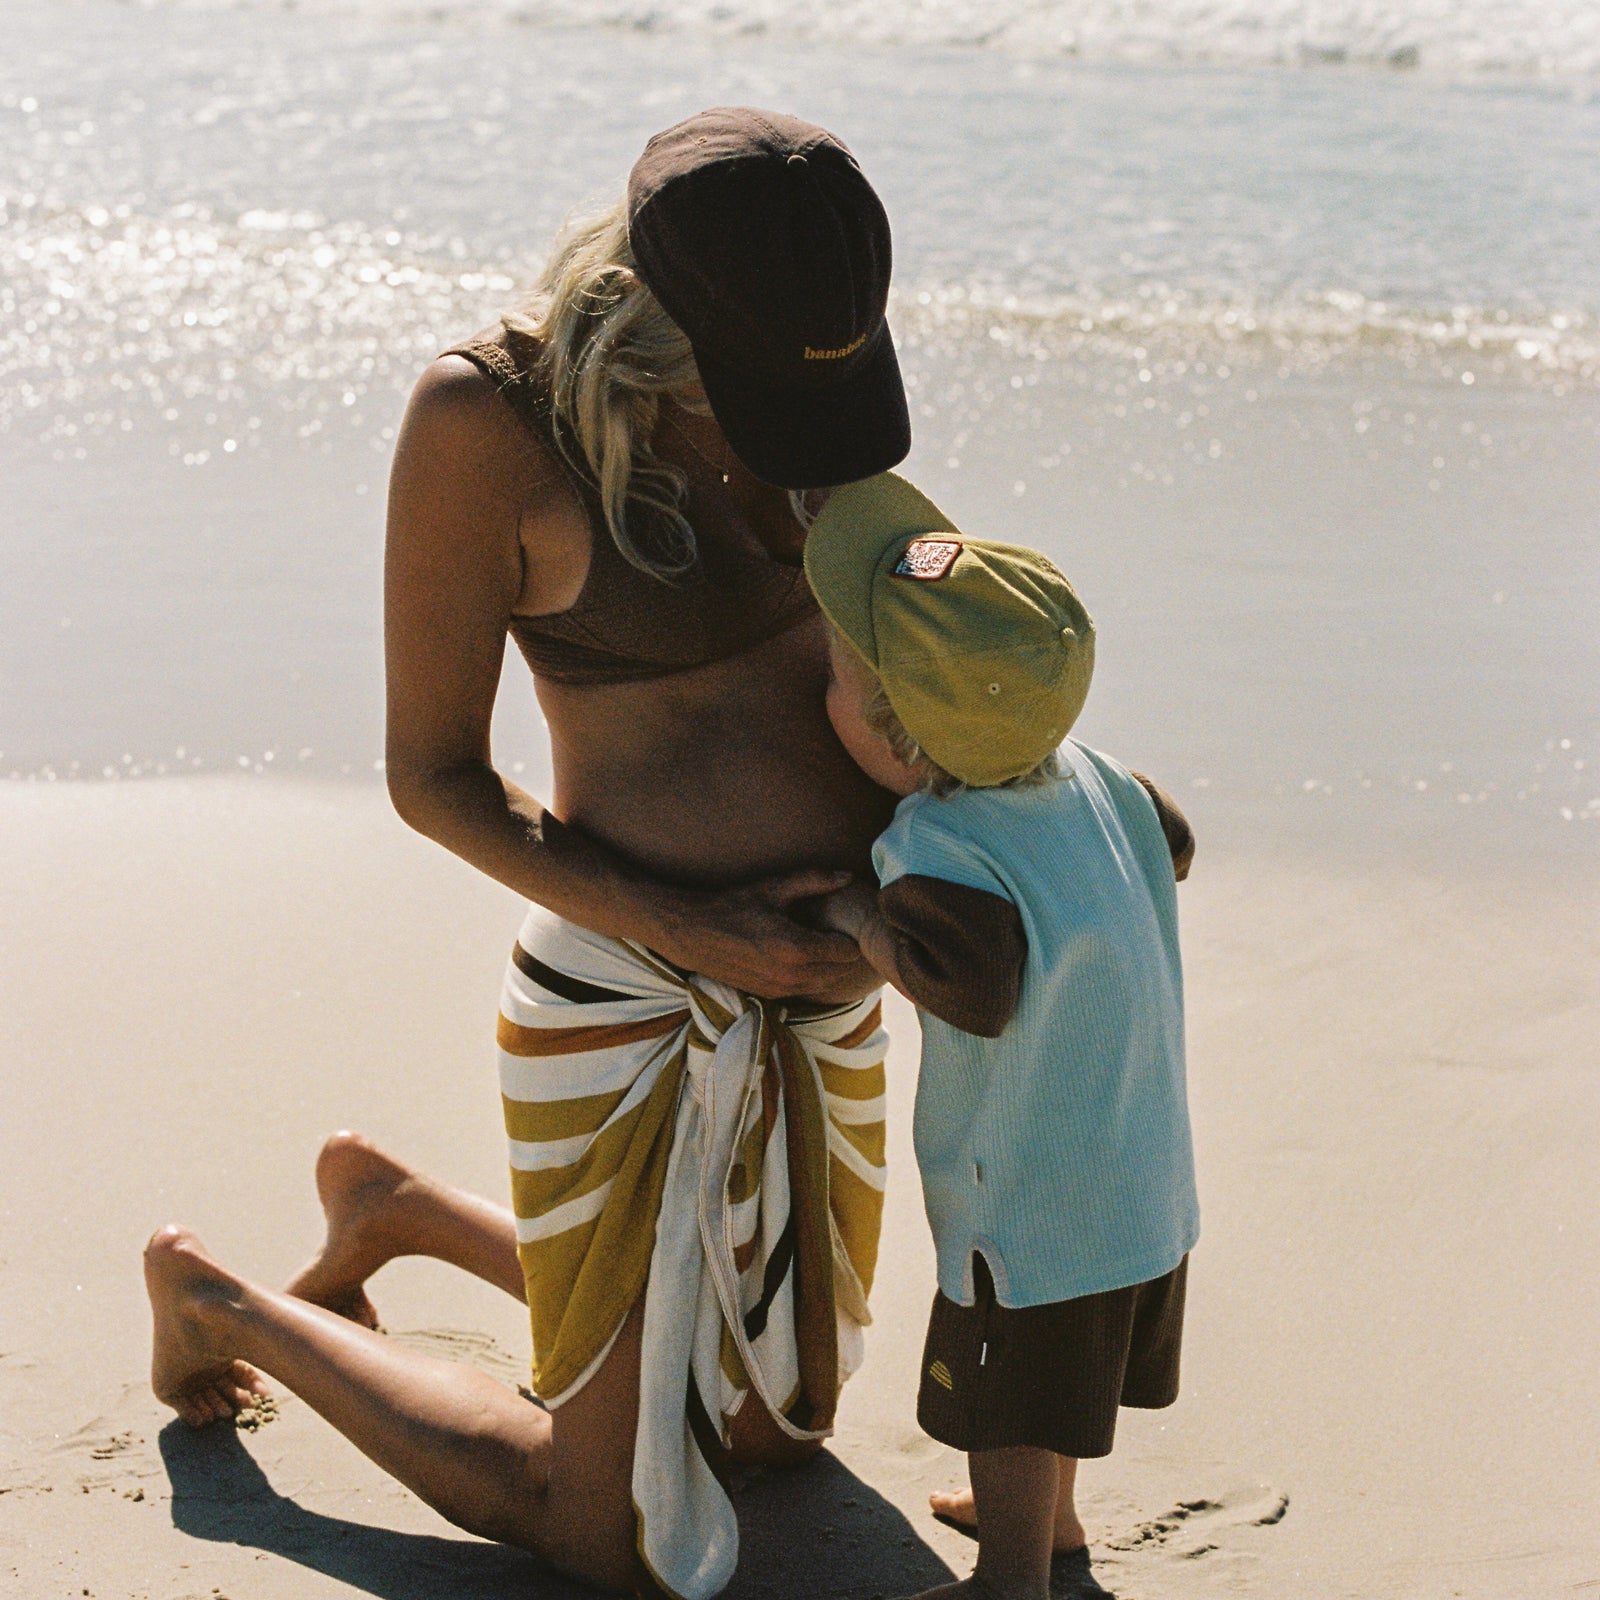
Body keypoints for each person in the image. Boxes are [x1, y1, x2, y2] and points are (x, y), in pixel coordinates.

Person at [143, 107, 915, 1598]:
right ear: (671, 318)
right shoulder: (489, 427)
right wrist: (703, 935)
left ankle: (397, 1211)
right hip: (634, 1006)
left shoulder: (816, 348)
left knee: (776, 1439)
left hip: (821, 1000)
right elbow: (433, 779)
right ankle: (219, 1299)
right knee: (611, 1533)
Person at [803, 474, 1201, 1600]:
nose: (819, 682)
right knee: (1060, 1380)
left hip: (1028, 1198)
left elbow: (965, 985)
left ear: (895, 735)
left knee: (1009, 1390)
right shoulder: (1100, 779)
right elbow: (1171, 842)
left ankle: (1012, 1577)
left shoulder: (941, 842)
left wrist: (852, 915)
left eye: (835, 676)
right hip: (1140, 1175)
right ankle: (1046, 1521)